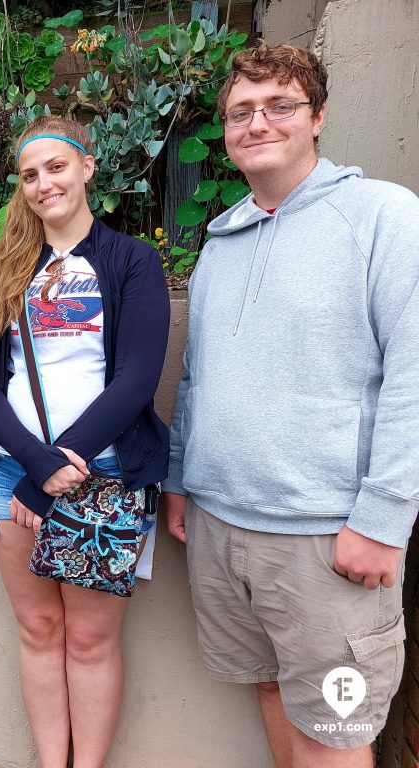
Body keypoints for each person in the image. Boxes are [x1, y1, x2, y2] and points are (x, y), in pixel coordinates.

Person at [163, 43, 419, 768]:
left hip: (326, 539)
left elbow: (413, 376)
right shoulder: (222, 240)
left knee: (333, 733)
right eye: (241, 111)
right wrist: (183, 479)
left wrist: (382, 519)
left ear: (318, 116)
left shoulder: (383, 217)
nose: (258, 123)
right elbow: (199, 378)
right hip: (221, 528)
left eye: (280, 105)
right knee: (272, 693)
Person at [0, 115, 170, 768]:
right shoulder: (8, 267)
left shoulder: (131, 260)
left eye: (56, 166)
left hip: (102, 481)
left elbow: (136, 380)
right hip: (9, 478)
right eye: (29, 174)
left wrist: (51, 471)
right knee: (39, 630)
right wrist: (32, 464)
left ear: (86, 168)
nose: (43, 183)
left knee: (88, 641)